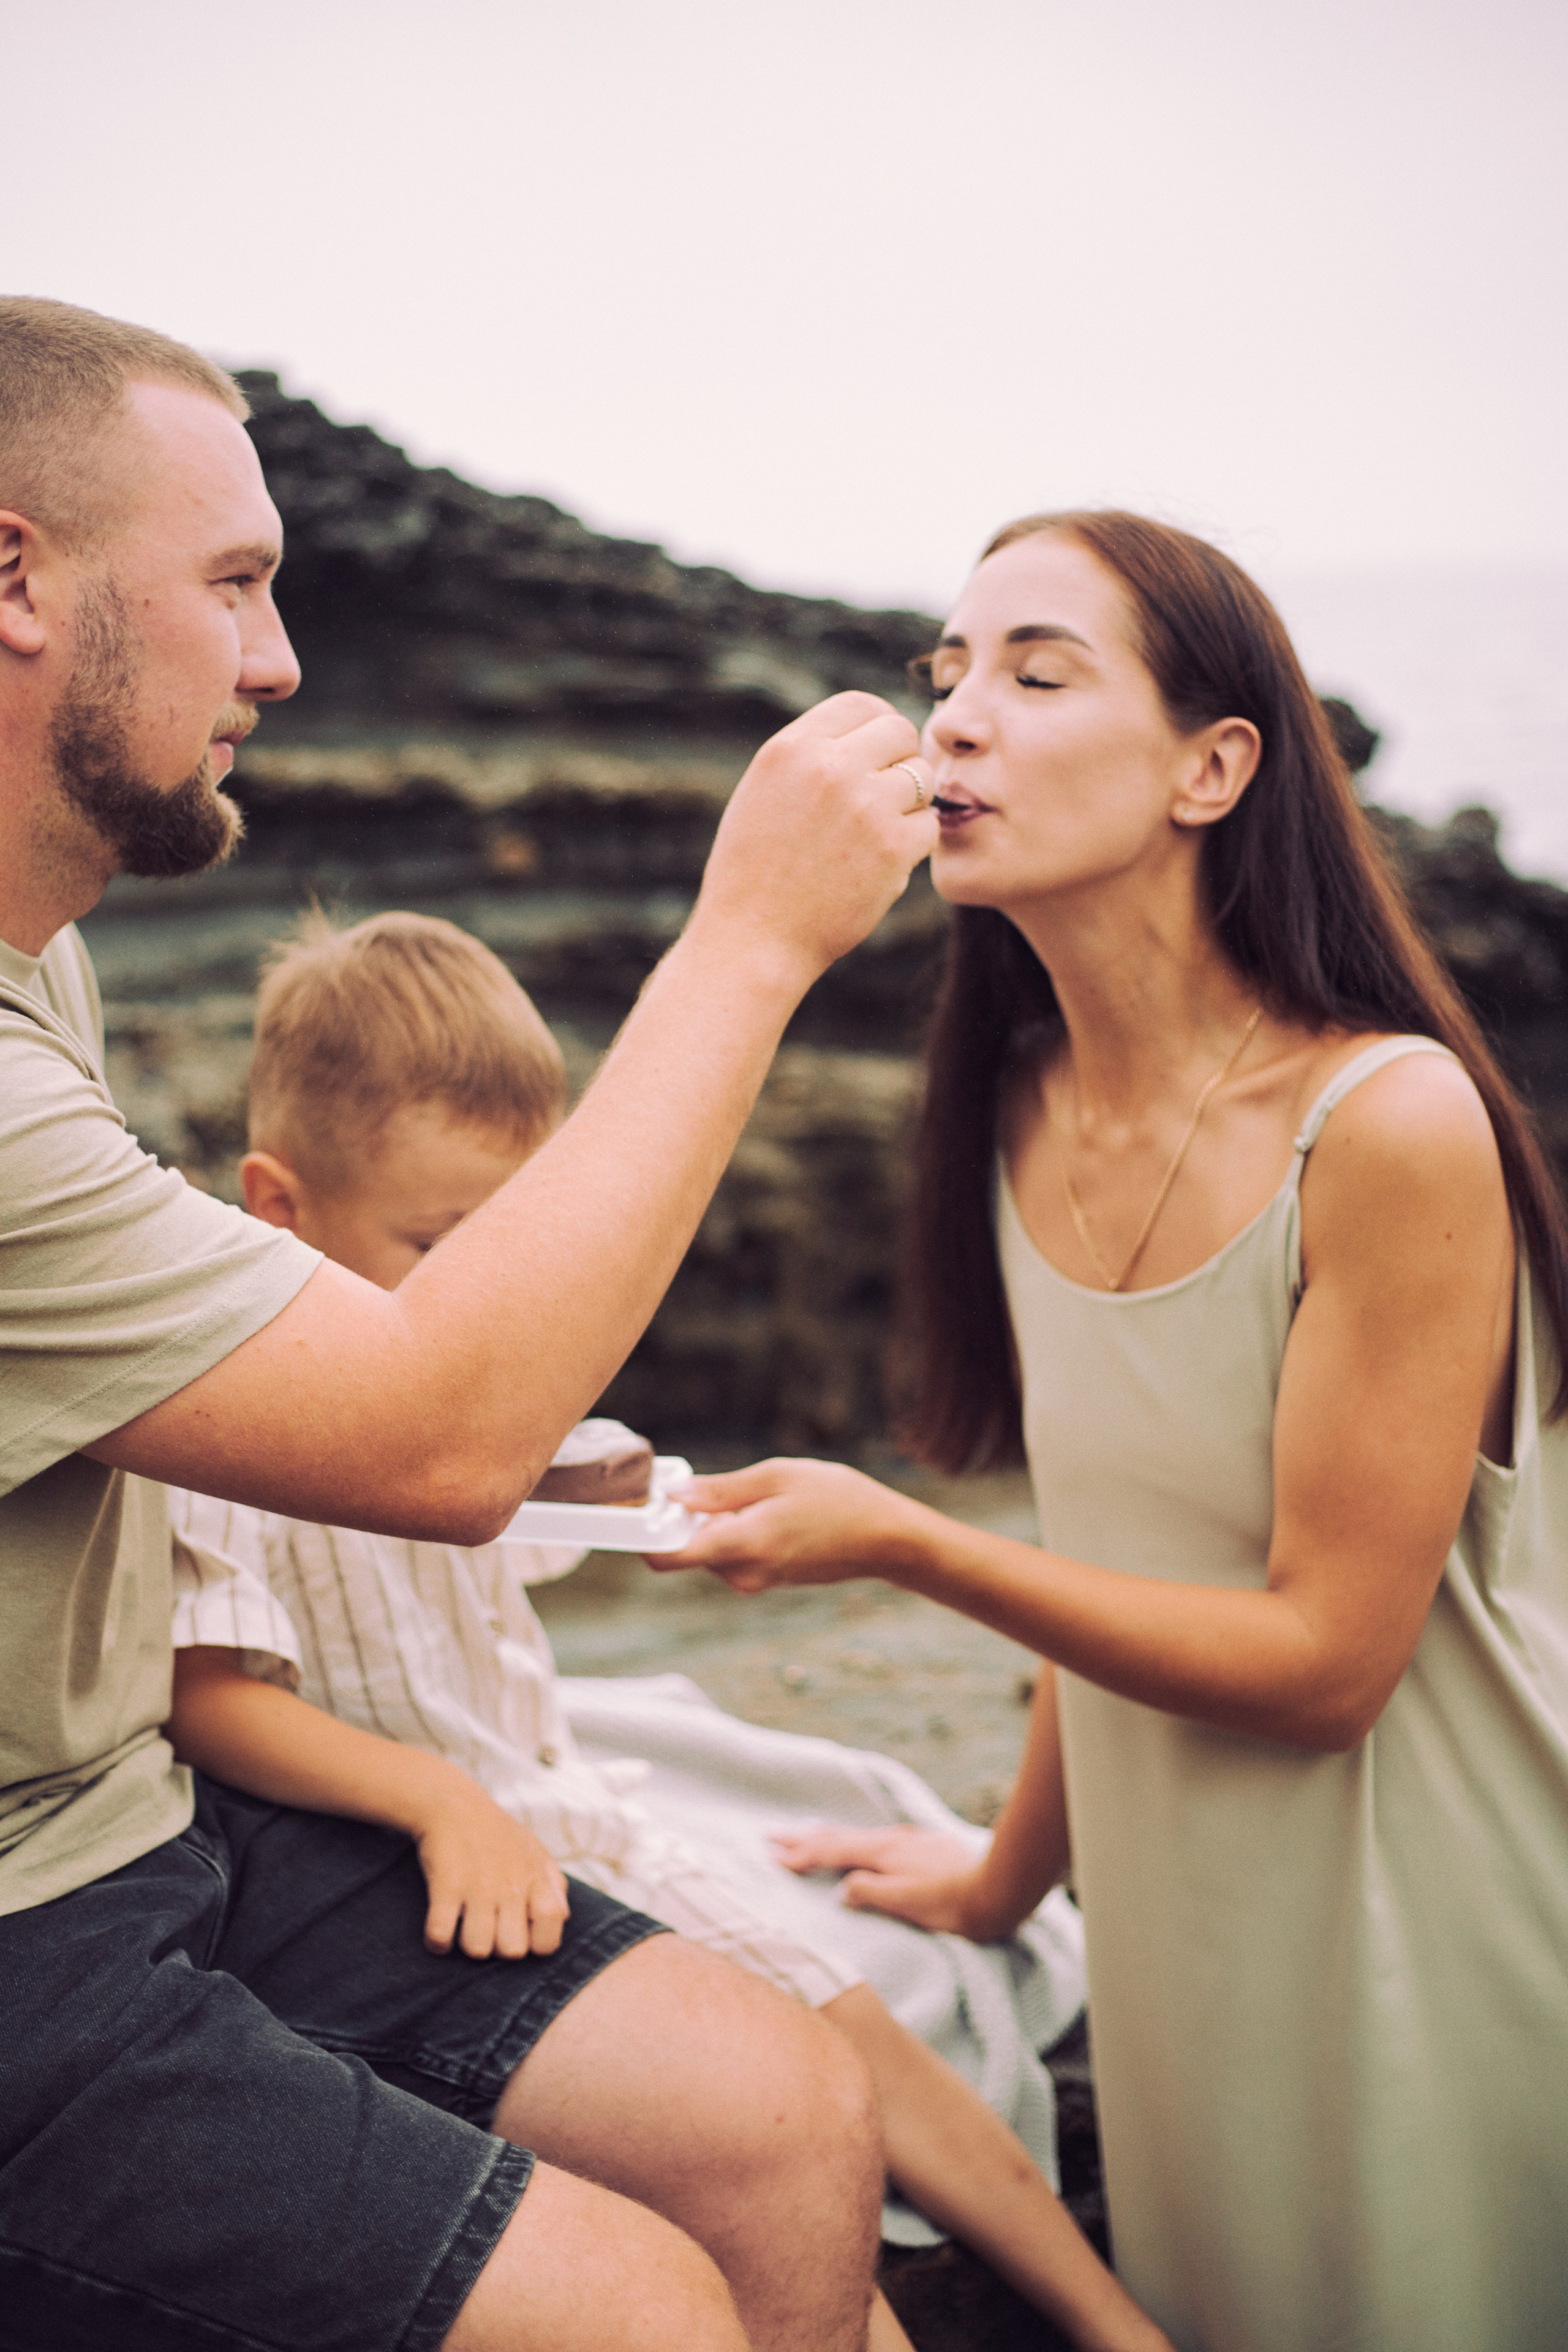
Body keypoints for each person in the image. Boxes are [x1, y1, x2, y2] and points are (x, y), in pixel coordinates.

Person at [0, 294, 941, 2352]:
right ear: (15, 582)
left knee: (788, 2107)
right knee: (644, 2312)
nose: (282, 658)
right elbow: (440, 1442)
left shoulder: (36, 957)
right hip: (24, 1932)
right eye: (235, 584)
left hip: (152, 1815)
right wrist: (756, 937)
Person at [656, 511, 1568, 2352]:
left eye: (1035, 673)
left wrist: (907, 1540)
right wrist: (1003, 1882)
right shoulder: (1018, 1102)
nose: (956, 724)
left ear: (1214, 767)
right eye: (946, 679)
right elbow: (1119, 1550)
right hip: (1189, 1956)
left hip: (1430, 1927)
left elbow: (1326, 1665)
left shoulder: (1388, 1126)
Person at [159, 905, 1172, 2352]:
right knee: (790, 2107)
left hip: (558, 1800)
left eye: (518, 1240)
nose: (484, 1287)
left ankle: (1104, 2318)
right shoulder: (233, 1424)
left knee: (848, 2031)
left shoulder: (467, 1368)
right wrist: (439, 1800)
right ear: (278, 1203)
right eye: (441, 1242)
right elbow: (210, 1694)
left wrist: (624, 1486)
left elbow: (549, 1495)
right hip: (429, 1852)